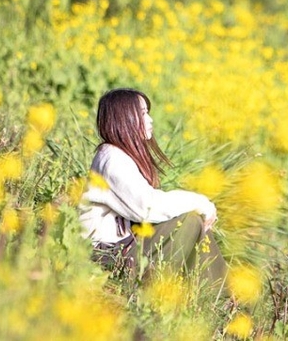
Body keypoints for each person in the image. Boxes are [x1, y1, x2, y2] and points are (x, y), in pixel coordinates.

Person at [79, 88, 228, 292]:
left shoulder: (119, 156)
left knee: (192, 223)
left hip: (122, 248)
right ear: (125, 118)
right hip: (103, 258)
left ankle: (220, 300)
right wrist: (201, 202)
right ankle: (221, 300)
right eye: (143, 113)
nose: (150, 120)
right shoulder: (111, 158)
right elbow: (147, 206)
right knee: (188, 221)